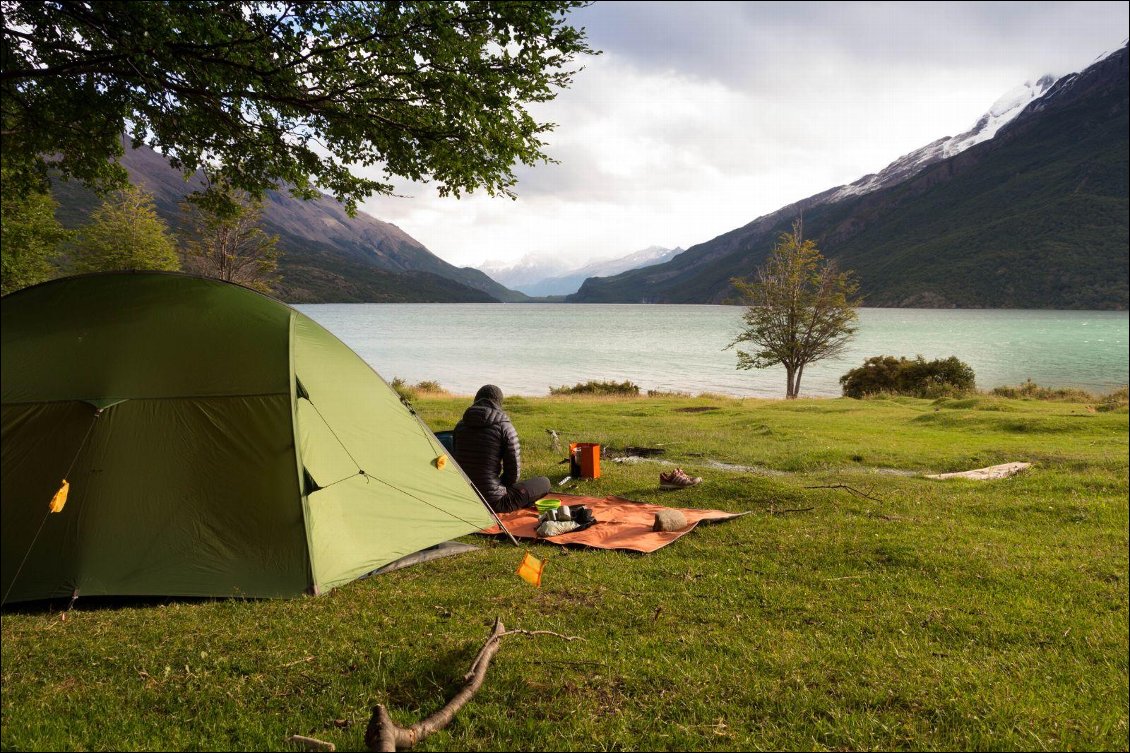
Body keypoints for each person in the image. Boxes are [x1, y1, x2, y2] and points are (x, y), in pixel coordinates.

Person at [453, 384, 551, 513]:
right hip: (494, 502)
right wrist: (500, 487)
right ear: (499, 403)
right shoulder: (504, 427)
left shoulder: (460, 426)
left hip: (463, 497)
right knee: (544, 482)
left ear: (476, 400)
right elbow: (513, 473)